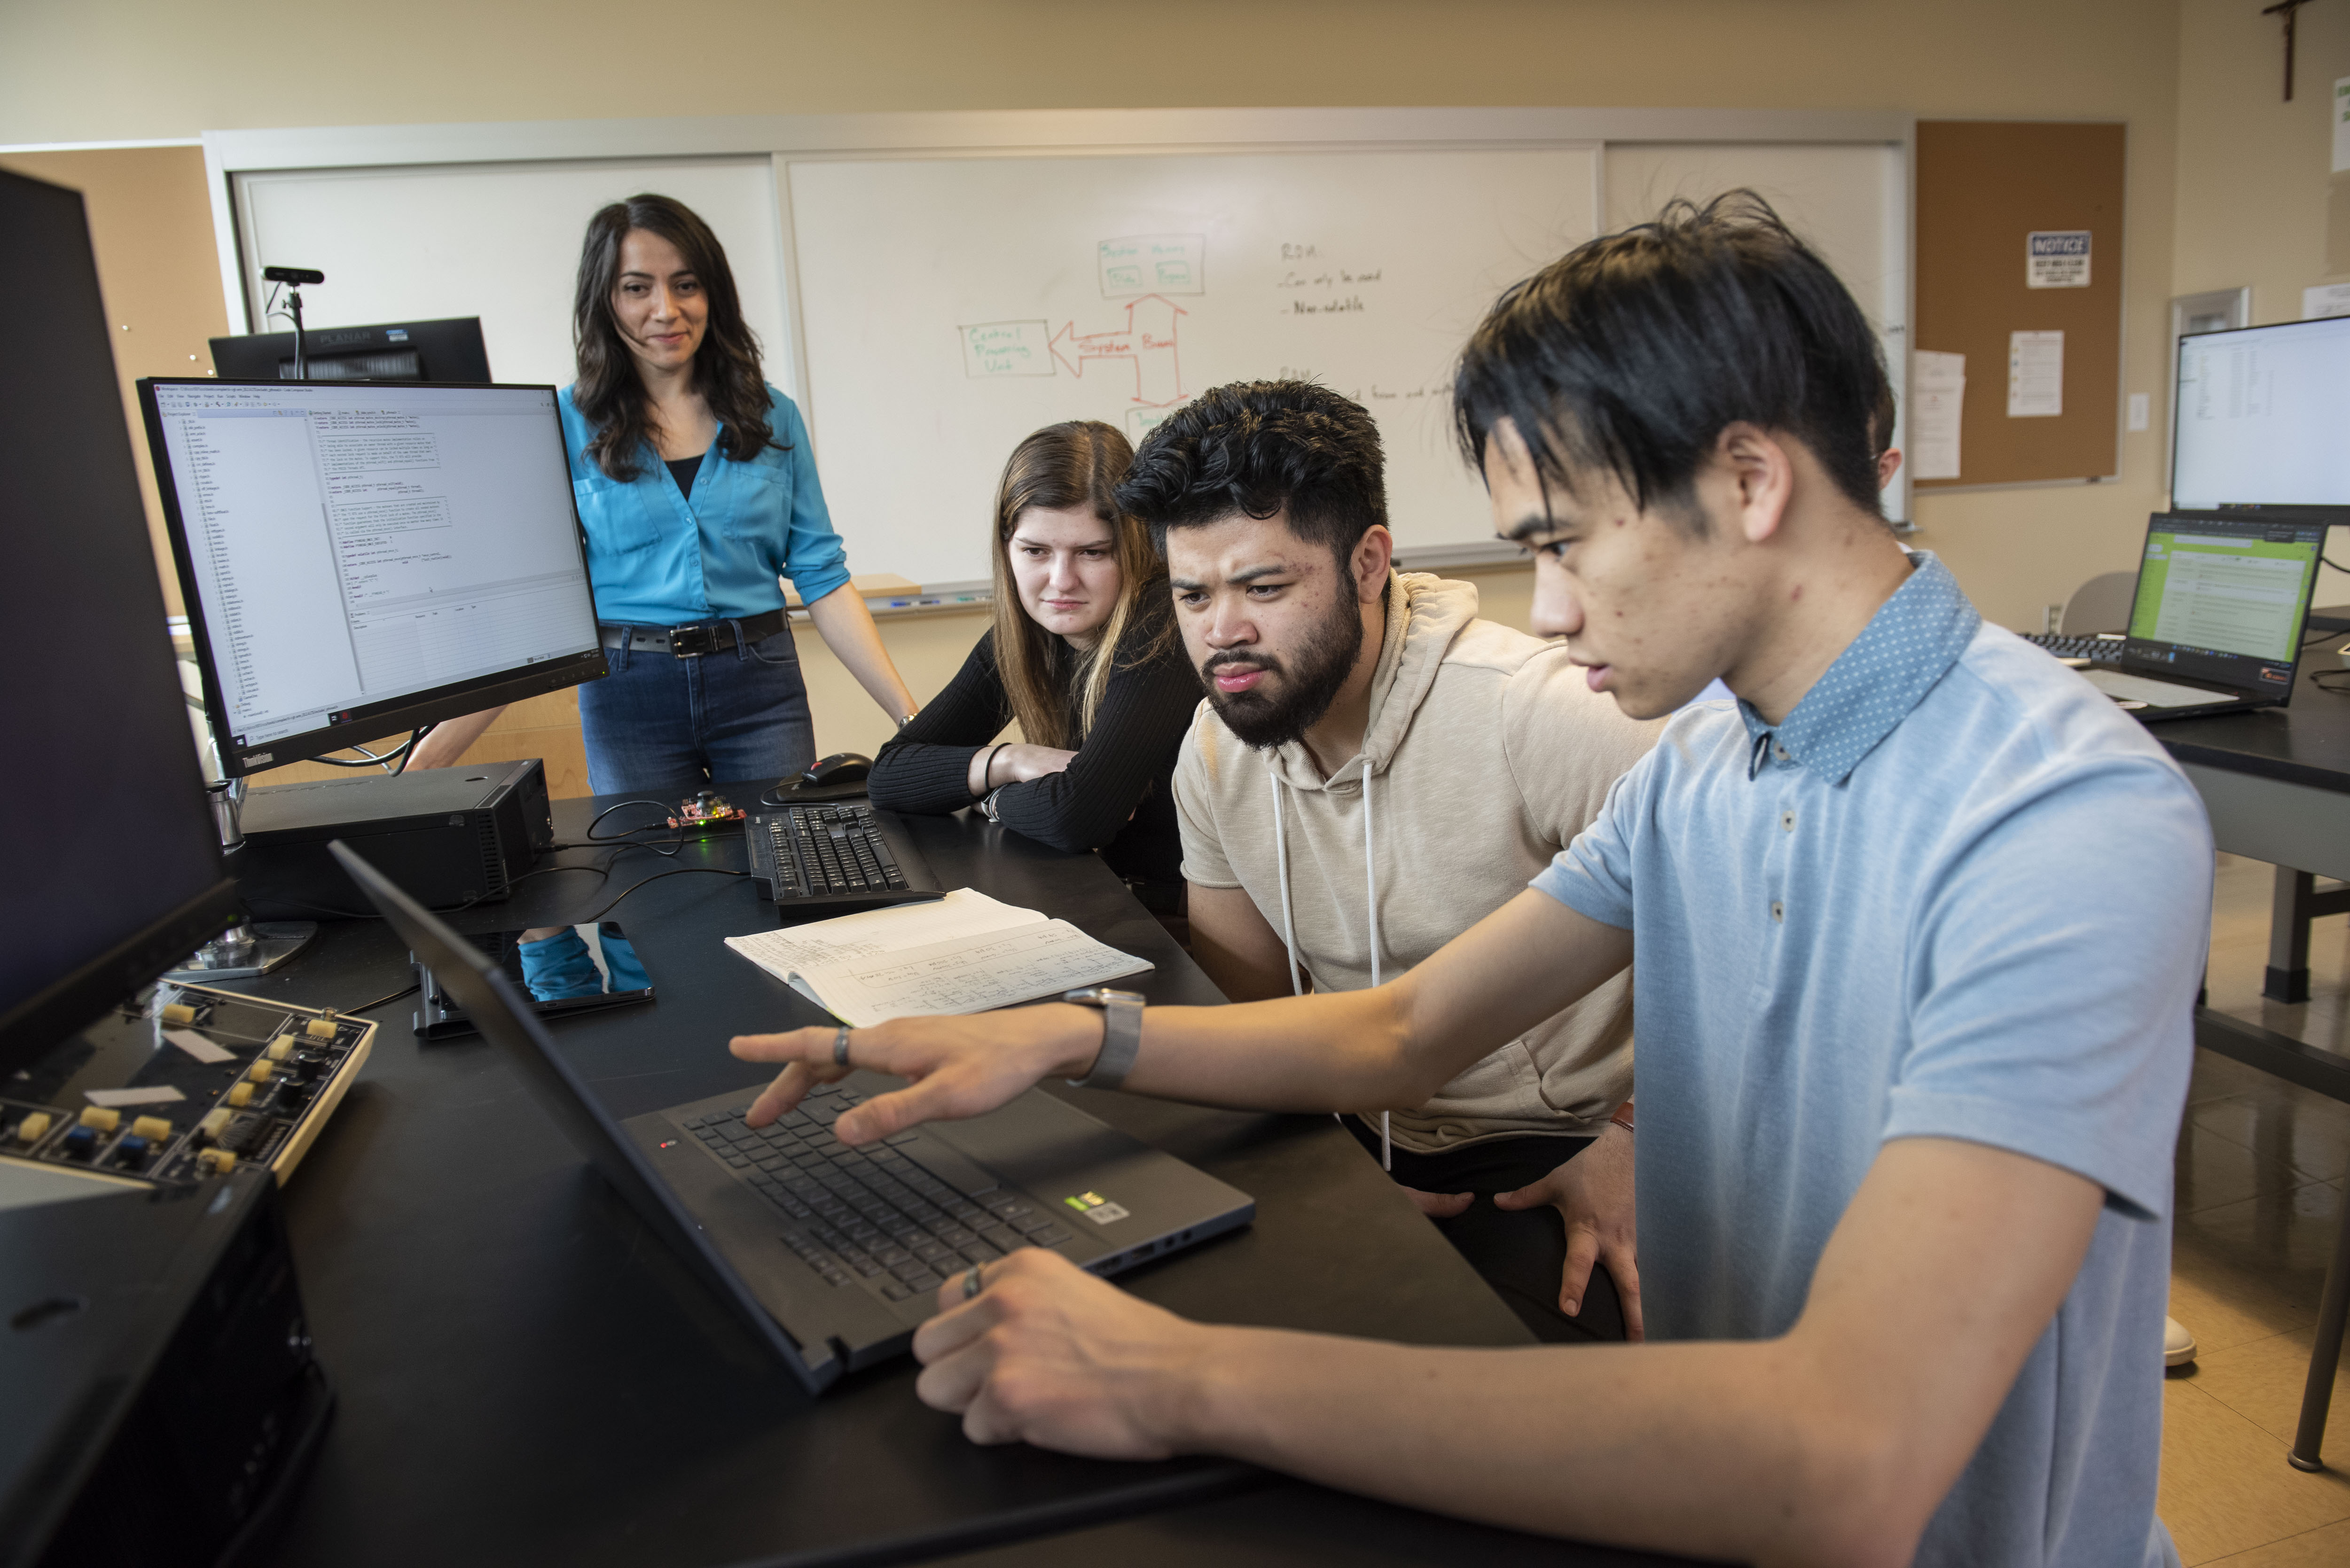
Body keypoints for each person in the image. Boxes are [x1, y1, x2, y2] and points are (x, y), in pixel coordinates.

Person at [727, 194, 2209, 1566]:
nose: (1549, 605)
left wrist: (1173, 1373)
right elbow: (1405, 1026)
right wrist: (1059, 1032)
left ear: (1749, 479)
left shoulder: (2057, 814)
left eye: (1561, 543)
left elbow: (1847, 1457)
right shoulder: (1709, 761)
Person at [1118, 381, 1659, 1342]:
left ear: (1368, 563)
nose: (1221, 633)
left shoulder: (1534, 709)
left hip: (1555, 1148)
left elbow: (1756, 929)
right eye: (1193, 594)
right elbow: (1252, 1011)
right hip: (1359, 1132)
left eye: (1263, 587)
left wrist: (1635, 1133)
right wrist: (1330, 1177)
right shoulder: (1213, 746)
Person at [409, 194, 915, 794]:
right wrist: (435, 752)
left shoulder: (772, 416)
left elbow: (822, 576)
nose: (665, 310)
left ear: (713, 295)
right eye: (636, 288)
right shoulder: (562, 424)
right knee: (649, 875)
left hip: (759, 683)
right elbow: (536, 609)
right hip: (627, 691)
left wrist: (912, 720)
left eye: (685, 285)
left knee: (785, 869)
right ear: (604, 300)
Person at [867, 421, 1200, 910]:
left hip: (1180, 920)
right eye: (1035, 551)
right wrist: (1009, 761)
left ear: (1132, 547)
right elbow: (889, 774)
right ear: (1007, 549)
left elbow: (1077, 815)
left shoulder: (1162, 628)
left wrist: (989, 798)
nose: (1060, 581)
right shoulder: (1027, 635)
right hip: (1099, 893)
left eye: (1092, 552)